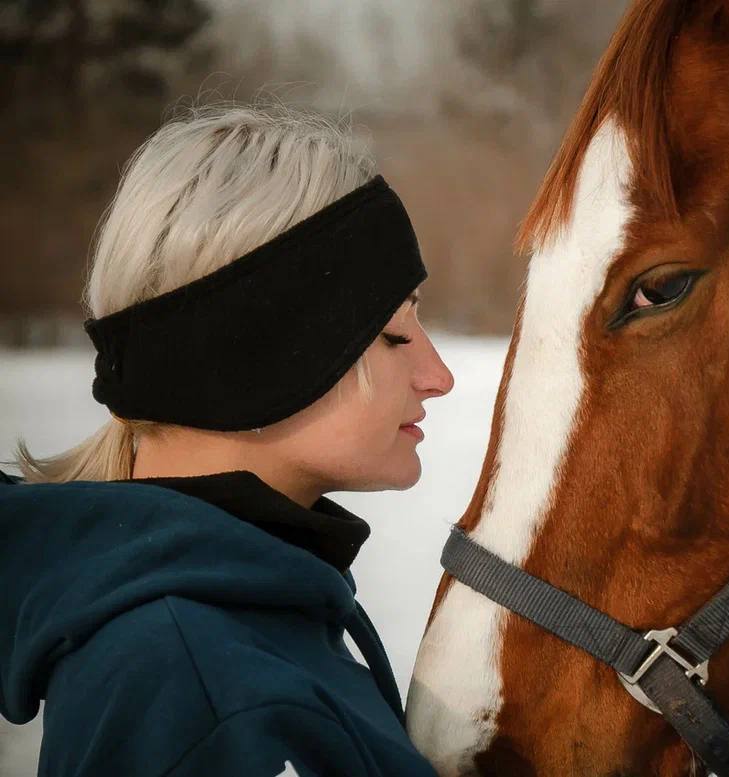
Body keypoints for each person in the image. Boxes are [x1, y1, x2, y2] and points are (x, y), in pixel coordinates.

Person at [0, 101, 453, 777]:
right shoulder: (191, 686)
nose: (437, 374)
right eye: (393, 333)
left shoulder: (258, 621)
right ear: (258, 357)